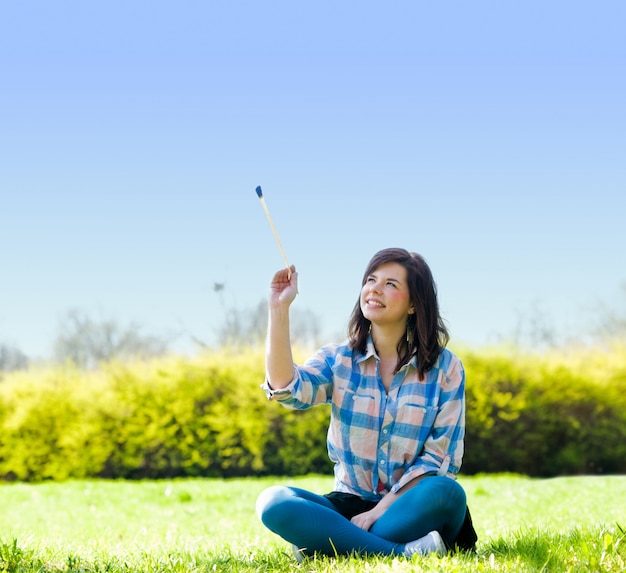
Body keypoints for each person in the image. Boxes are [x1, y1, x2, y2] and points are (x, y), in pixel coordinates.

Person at [256, 248, 477, 560]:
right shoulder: (338, 360)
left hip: (412, 505)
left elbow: (439, 462)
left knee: (447, 493)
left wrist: (379, 511)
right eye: (371, 279)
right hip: (351, 504)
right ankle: (402, 553)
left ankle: (333, 542)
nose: (374, 288)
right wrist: (278, 309)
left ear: (414, 304)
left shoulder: (447, 369)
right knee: (274, 502)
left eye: (390, 284)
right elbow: (287, 389)